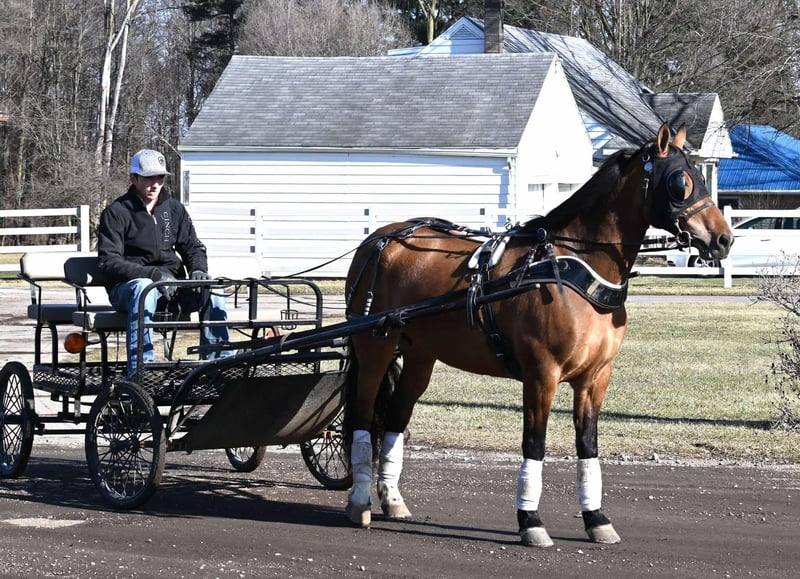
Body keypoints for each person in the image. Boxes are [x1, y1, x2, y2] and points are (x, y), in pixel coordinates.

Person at [97, 148, 231, 380]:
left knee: (212, 291)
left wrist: (198, 270)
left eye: (159, 178)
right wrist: (153, 275)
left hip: (172, 287)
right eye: (149, 178)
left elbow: (193, 247)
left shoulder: (174, 209)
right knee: (144, 288)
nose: (155, 184)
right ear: (133, 178)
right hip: (129, 289)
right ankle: (142, 370)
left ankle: (216, 366)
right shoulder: (116, 212)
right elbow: (109, 262)